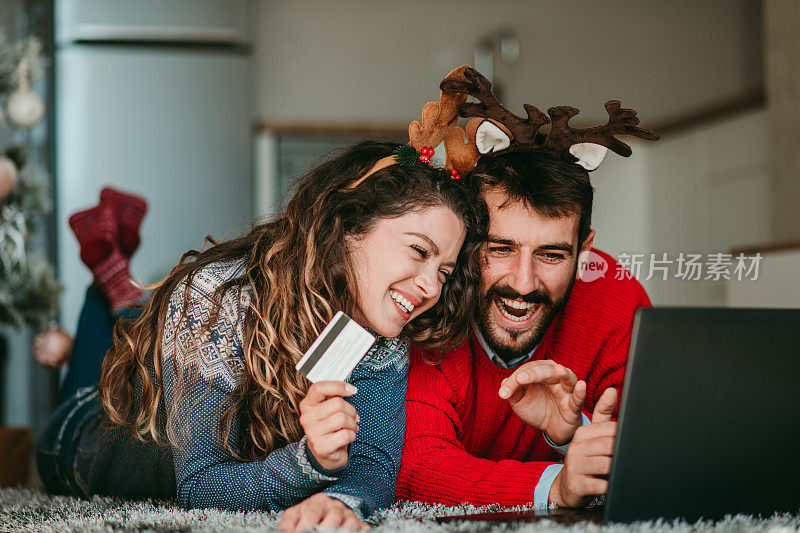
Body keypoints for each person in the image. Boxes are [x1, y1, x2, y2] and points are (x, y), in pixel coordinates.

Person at [36, 139, 486, 532]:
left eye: (444, 271)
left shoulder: (384, 328)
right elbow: (201, 487)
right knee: (115, 344)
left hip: (158, 373)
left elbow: (372, 463)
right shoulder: (214, 299)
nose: (431, 286)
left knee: (134, 325)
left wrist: (341, 501)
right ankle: (108, 288)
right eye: (418, 251)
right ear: (349, 227)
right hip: (78, 437)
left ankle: (115, 283)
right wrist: (306, 463)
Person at [395, 67, 658, 509]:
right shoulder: (426, 303)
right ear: (464, 239)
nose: (523, 283)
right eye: (500, 248)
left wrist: (572, 437)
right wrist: (556, 487)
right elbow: (416, 467)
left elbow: (656, 454)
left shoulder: (615, 297)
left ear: (584, 250)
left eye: (552, 255)